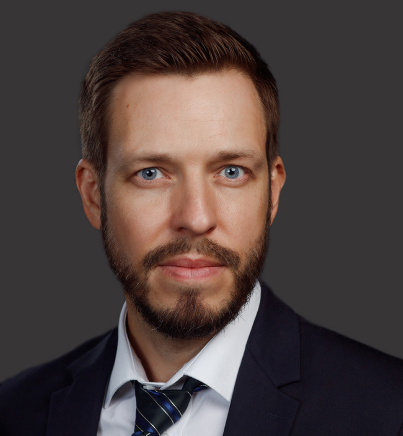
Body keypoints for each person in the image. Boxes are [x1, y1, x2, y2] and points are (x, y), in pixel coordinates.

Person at [1, 10, 403, 436]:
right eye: (151, 173)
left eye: (231, 172)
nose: (195, 218)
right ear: (93, 195)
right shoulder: (13, 413)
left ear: (272, 193)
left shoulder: (388, 413)